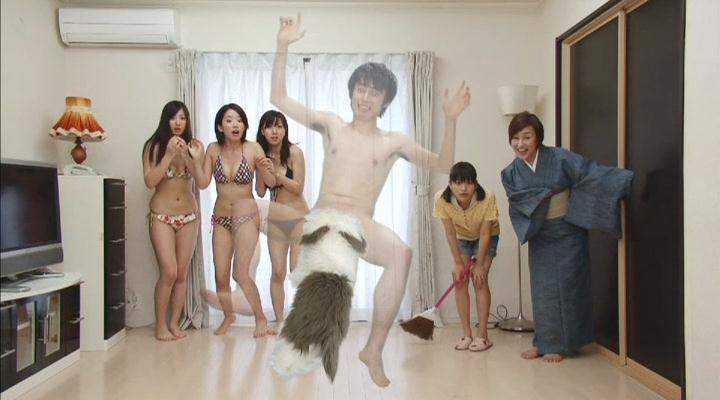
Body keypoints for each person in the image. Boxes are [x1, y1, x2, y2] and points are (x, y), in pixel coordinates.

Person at [272, 14, 471, 387]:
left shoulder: (393, 142)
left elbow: (444, 164)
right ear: (352, 92)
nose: (365, 98)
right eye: (360, 89)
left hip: (360, 223)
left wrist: (450, 120)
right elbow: (279, 98)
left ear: (385, 101)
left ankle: (373, 350)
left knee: (401, 255)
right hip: (324, 219)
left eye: (374, 93)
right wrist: (283, 45)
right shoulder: (332, 125)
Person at [500, 111, 633, 363]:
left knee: (569, 289)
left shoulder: (560, 158)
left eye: (526, 137)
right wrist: (540, 198)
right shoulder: (511, 173)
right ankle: (543, 342)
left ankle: (563, 344)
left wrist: (621, 181)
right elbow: (518, 202)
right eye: (515, 138)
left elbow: (590, 173)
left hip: (568, 233)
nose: (520, 144)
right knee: (543, 291)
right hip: (540, 235)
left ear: (538, 137)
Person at [194, 103, 277, 337]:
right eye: (229, 120)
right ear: (220, 126)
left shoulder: (253, 148)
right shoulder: (213, 149)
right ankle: (229, 316)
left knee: (240, 274)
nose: (235, 125)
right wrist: (195, 160)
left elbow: (264, 188)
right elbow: (202, 182)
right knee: (220, 275)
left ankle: (261, 318)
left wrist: (266, 170)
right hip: (221, 218)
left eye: (239, 120)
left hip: (246, 217)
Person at [142, 100, 205, 341]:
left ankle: (175, 324)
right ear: (165, 120)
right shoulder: (153, 146)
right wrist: (168, 155)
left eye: (182, 118)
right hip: (162, 216)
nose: (178, 122)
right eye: (173, 117)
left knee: (181, 274)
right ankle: (160, 326)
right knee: (168, 271)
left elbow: (202, 182)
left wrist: (192, 158)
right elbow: (150, 181)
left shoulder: (193, 147)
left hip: (189, 216)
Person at [433, 161, 499, 352]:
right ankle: (467, 335)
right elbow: (450, 232)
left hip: (487, 237)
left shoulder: (487, 198)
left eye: (469, 183)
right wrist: (457, 263)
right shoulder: (441, 199)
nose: (463, 188)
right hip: (462, 237)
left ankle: (483, 336)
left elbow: (485, 233)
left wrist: (479, 264)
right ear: (450, 184)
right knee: (460, 281)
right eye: (458, 183)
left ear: (475, 184)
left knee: (479, 279)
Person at [255, 110, 310, 325]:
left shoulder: (294, 152)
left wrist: (277, 175)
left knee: (296, 271)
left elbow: (298, 187)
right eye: (269, 127)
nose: (274, 131)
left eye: (279, 126)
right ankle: (280, 322)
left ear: (285, 130)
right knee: (277, 272)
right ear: (263, 131)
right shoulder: (262, 157)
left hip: (298, 217)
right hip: (276, 219)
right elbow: (260, 192)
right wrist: (262, 170)